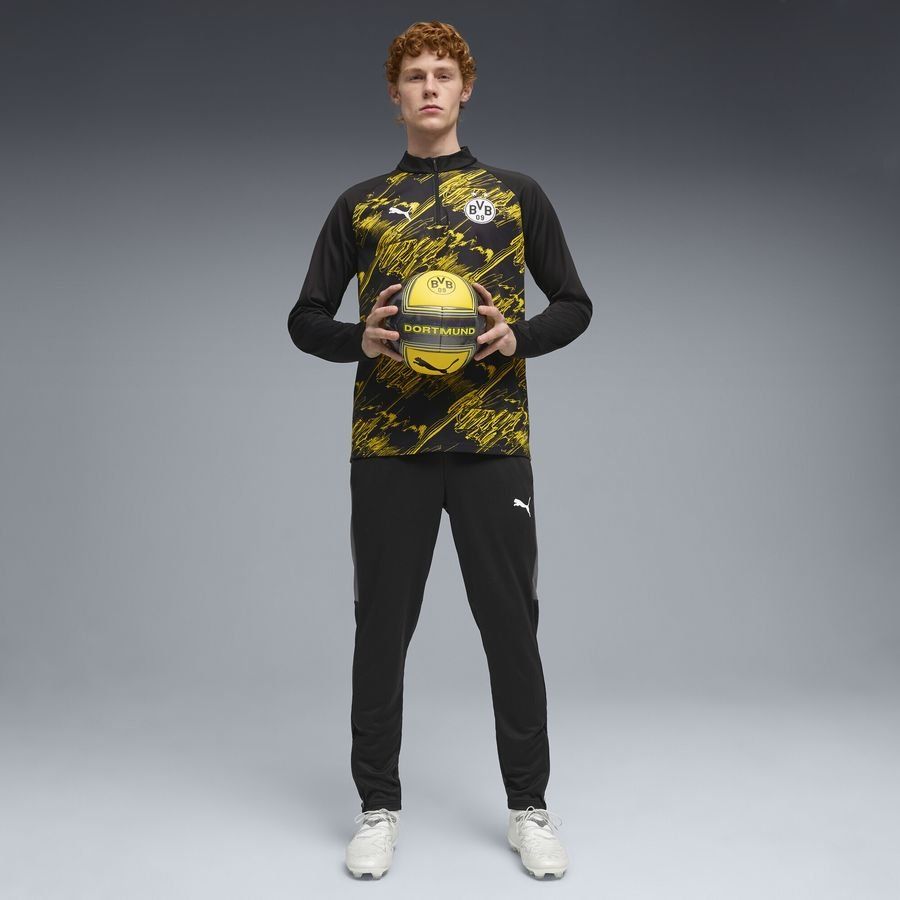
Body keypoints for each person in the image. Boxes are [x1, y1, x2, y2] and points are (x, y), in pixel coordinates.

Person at [287, 19, 591, 881]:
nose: (429, 87)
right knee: (382, 628)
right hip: (389, 444)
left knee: (511, 627)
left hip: (495, 441)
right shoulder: (361, 204)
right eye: (415, 75)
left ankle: (529, 808)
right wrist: (360, 341)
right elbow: (304, 319)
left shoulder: (517, 195)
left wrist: (517, 337)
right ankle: (377, 809)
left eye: (443, 74)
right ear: (395, 96)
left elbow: (575, 303)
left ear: (465, 90)